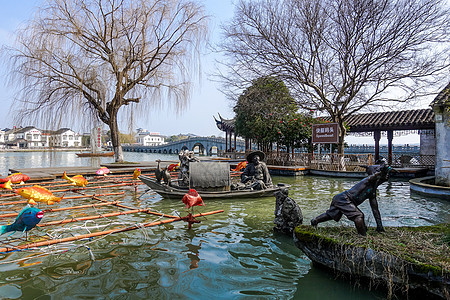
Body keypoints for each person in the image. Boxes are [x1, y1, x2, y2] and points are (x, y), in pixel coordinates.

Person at [310, 163, 396, 236]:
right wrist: (382, 170)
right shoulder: (367, 181)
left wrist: (379, 227)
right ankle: (362, 239)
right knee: (359, 216)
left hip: (341, 199)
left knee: (332, 214)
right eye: (385, 174)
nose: (387, 176)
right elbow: (373, 176)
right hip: (344, 198)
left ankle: (315, 221)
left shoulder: (372, 192)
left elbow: (375, 209)